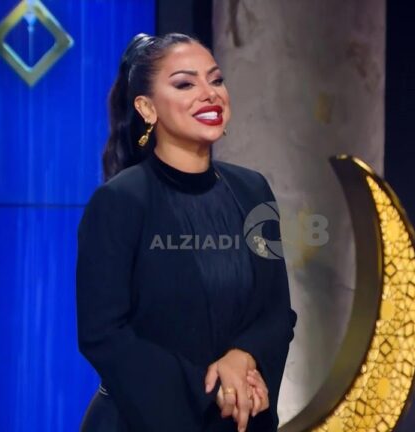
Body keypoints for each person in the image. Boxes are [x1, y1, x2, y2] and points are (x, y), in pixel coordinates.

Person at [76, 32, 298, 432]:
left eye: (216, 80)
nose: (209, 94)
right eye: (185, 84)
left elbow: (277, 311)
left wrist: (244, 356)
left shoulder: (253, 191)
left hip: (238, 420)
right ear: (146, 108)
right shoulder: (119, 201)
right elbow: (103, 335)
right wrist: (211, 391)